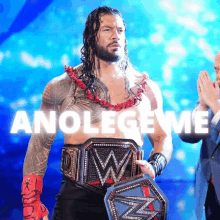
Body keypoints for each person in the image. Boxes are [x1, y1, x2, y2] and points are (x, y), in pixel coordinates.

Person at [21, 6, 173, 220]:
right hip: (76, 199)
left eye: (121, 30)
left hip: (132, 199)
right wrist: (31, 202)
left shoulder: (146, 89)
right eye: (107, 29)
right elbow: (40, 144)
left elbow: (162, 138)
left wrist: (155, 166)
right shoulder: (60, 87)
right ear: (91, 36)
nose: (116, 36)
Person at [179, 51, 220, 220]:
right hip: (211, 192)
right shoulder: (214, 95)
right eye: (216, 70)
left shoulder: (214, 99)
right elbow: (187, 136)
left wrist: (215, 106)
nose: (218, 76)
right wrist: (203, 106)